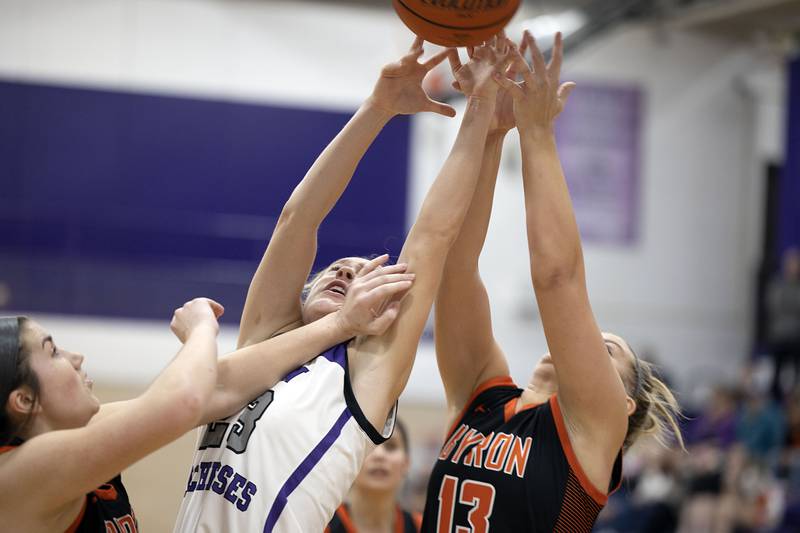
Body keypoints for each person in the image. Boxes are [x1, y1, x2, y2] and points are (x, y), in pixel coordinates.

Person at [174, 37, 515, 532]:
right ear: (307, 289)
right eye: (338, 267)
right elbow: (297, 219)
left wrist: (480, 107)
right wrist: (377, 109)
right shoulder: (266, 341)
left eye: (361, 275)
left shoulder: (365, 373)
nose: (344, 272)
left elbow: (434, 238)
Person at [421, 32, 683, 532]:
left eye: (606, 351)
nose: (582, 345)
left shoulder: (593, 429)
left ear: (623, 405)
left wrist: (537, 134)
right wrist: (491, 130)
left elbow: (557, 278)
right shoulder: (483, 394)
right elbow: (455, 266)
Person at [0, 298, 223, 532]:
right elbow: (182, 402)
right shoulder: (20, 474)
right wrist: (201, 328)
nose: (76, 357)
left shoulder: (78, 433)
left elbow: (221, 389)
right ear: (24, 400)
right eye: (54, 352)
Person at [326, 420, 421, 533]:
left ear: (406, 463)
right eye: (369, 446)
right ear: (351, 460)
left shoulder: (422, 526)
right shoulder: (320, 524)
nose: (379, 455)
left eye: (391, 446)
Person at [768, 247, 800, 401]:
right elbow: (774, 304)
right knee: (776, 373)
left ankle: (794, 398)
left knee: (795, 372)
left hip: (795, 335)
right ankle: (776, 399)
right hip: (780, 335)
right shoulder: (777, 284)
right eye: (790, 264)